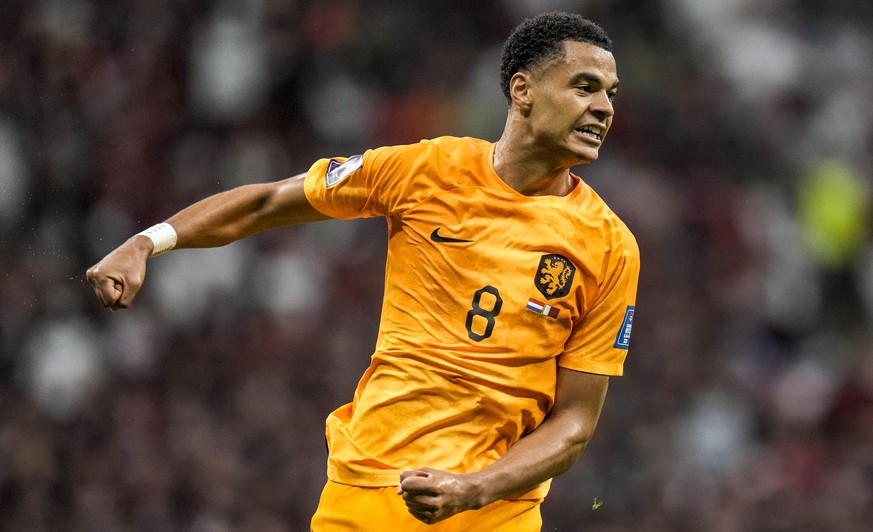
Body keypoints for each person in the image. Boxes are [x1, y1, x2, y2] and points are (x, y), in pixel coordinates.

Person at [87, 11, 639, 531]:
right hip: (369, 489)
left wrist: (475, 488)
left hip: (495, 512)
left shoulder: (610, 247)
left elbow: (573, 426)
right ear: (523, 91)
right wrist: (146, 242)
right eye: (584, 87)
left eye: (610, 95)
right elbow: (266, 204)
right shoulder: (426, 171)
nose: (604, 109)